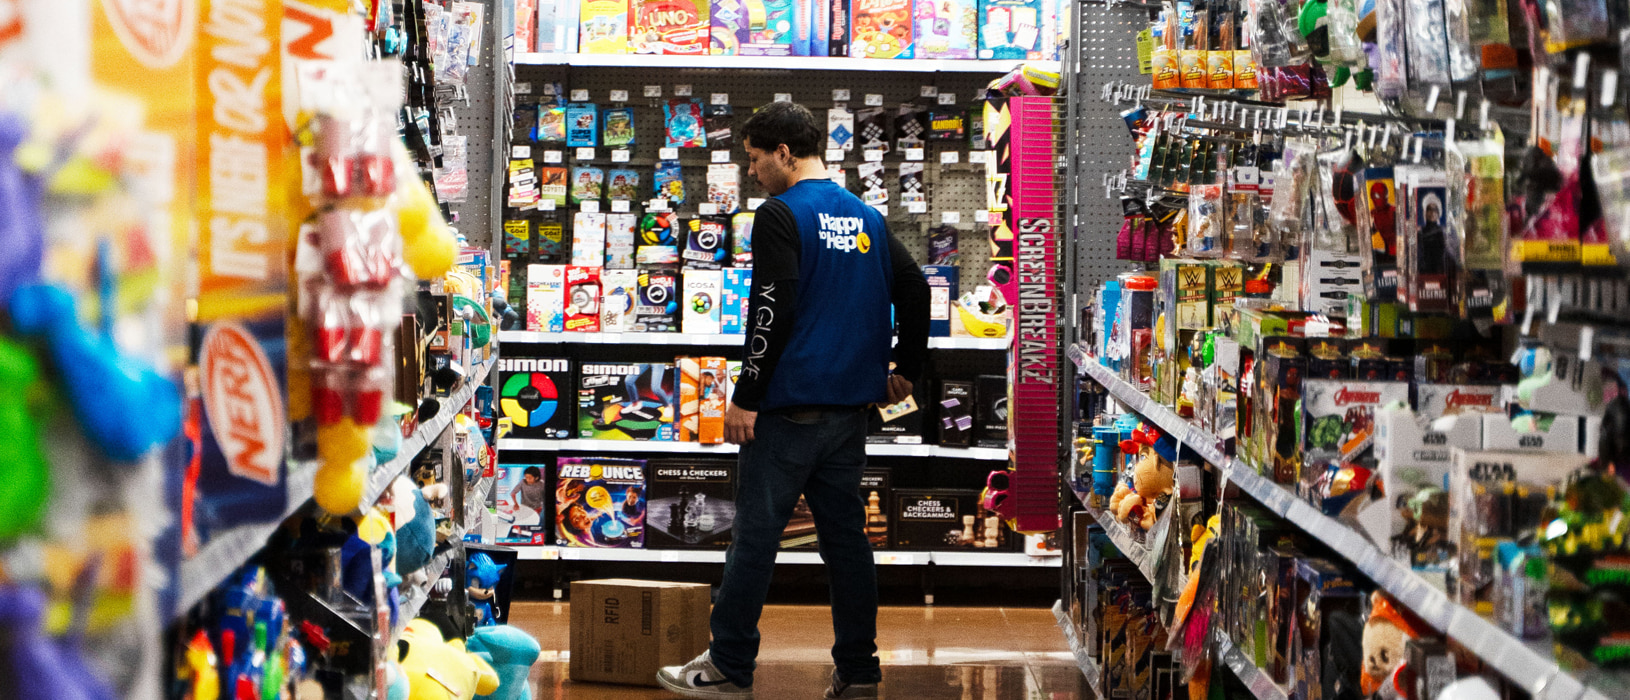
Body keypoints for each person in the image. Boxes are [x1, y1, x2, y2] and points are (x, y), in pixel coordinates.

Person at [657, 101, 929, 700]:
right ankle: (859, 671)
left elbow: (770, 311)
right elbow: (914, 288)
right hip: (849, 415)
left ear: (785, 153)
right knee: (847, 544)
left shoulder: (780, 214)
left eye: (755, 159)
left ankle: (727, 666)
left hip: (786, 411)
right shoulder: (865, 216)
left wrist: (745, 395)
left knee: (753, 540)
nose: (753, 172)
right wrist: (907, 367)